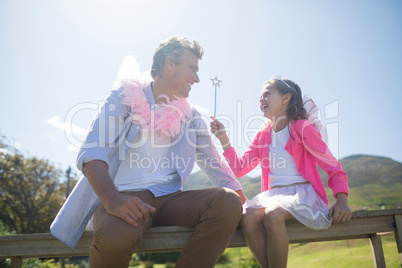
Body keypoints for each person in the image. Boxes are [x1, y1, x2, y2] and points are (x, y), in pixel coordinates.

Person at [50, 37, 247, 268]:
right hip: (124, 195)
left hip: (172, 198)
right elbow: (92, 151)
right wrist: (112, 199)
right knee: (114, 238)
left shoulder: (191, 116)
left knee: (227, 203)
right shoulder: (123, 98)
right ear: (169, 64)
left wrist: (246, 204)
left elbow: (215, 164)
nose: (197, 78)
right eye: (192, 69)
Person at [210, 75, 352, 268]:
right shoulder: (262, 135)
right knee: (249, 214)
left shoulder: (302, 128)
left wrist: (342, 200)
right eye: (260, 96)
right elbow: (240, 168)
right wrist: (223, 139)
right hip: (274, 194)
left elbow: (332, 165)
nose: (261, 100)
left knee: (272, 214)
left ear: (286, 99)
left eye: (267, 94)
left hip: (302, 193)